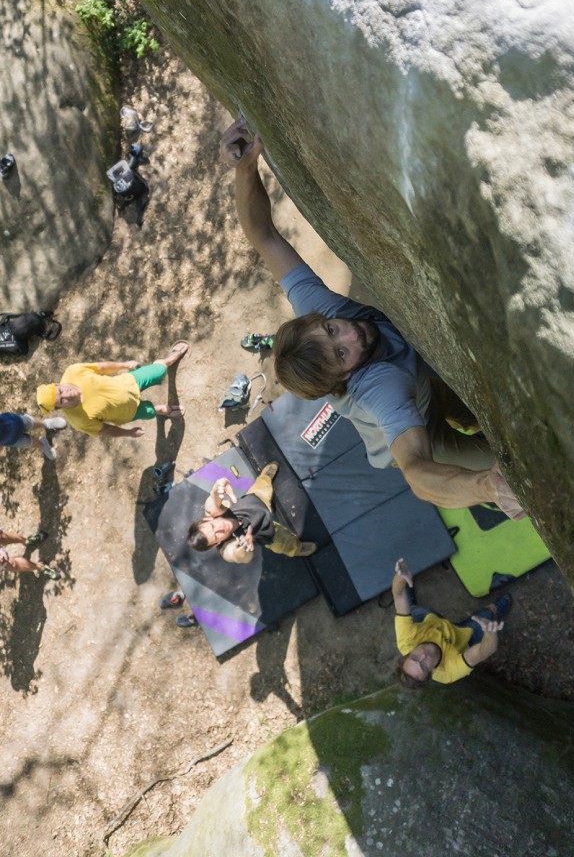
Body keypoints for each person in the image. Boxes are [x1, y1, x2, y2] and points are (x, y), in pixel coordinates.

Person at [220, 116, 525, 518]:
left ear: (319, 319)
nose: (350, 334)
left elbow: (263, 235)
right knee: (520, 475)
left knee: (478, 407)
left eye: (331, 329)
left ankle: (469, 412)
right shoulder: (376, 389)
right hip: (419, 423)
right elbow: (418, 474)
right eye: (341, 355)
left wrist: (244, 169)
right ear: (343, 378)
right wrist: (487, 486)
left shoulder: (321, 309)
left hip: (426, 374)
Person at [35, 341, 190, 440]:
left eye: (61, 391)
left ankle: (167, 361)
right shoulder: (79, 421)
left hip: (130, 382)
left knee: (159, 371)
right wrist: (128, 433)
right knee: (149, 412)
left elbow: (101, 368)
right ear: (59, 408)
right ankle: (161, 410)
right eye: (61, 401)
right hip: (128, 412)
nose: (66, 395)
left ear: (57, 384)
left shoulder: (73, 372)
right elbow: (105, 430)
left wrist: (125, 365)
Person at [392, 558, 509, 687]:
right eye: (423, 666)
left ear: (408, 653)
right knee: (487, 618)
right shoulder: (448, 672)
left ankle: (409, 588)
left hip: (426, 619)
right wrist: (490, 632)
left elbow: (398, 596)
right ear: (432, 672)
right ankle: (495, 610)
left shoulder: (406, 640)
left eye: (414, 657)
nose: (423, 655)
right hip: (460, 637)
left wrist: (401, 578)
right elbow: (484, 652)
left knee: (409, 606)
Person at [186, 462, 317, 563]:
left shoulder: (212, 511)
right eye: (216, 536)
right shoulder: (226, 548)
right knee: (285, 544)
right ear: (216, 543)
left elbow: (213, 499)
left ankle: (266, 476)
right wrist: (243, 549)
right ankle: (296, 548)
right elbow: (239, 556)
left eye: (213, 526)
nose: (220, 529)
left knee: (263, 483)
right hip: (268, 533)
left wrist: (218, 486)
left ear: (208, 520)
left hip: (257, 499)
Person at [0, 411, 67, 461]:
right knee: (28, 442)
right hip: (10, 440)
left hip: (14, 421)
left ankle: (45, 423)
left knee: (30, 423)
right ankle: (42, 444)